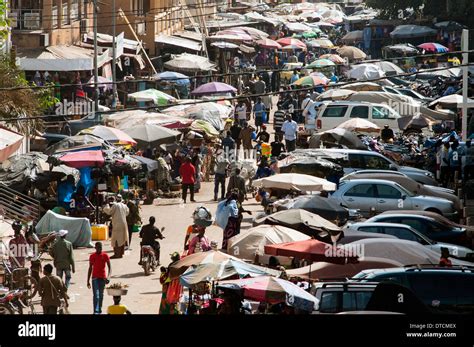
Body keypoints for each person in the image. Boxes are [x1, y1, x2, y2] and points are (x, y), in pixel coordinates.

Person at [87, 242, 111, 314]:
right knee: (96, 295)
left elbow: (110, 268)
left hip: (103, 278)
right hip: (95, 278)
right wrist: (88, 280)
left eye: (100, 247)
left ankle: (99, 309)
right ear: (95, 248)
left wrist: (108, 277)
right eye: (98, 247)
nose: (99, 249)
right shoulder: (92, 256)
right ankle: (96, 311)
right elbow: (90, 268)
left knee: (101, 295)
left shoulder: (105, 255)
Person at [103, 194, 129, 259]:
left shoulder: (115, 205)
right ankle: (121, 253)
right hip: (124, 224)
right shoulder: (124, 206)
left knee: (116, 239)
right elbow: (127, 213)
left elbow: (109, 212)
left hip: (117, 224)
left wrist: (107, 205)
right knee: (122, 238)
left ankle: (117, 254)